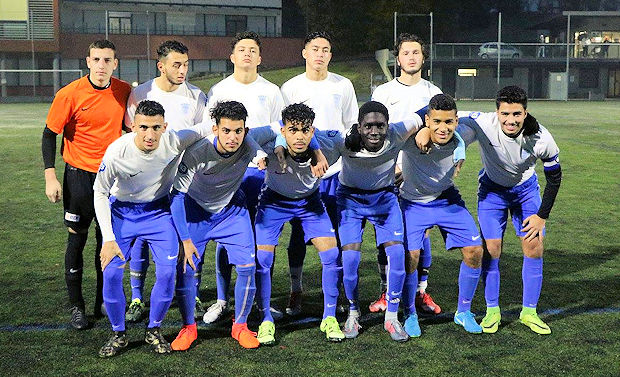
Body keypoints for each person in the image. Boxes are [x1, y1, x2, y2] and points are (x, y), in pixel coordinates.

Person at [93, 100, 209, 357]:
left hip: (158, 213)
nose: (150, 134)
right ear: (133, 126)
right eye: (143, 127)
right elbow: (99, 192)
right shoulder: (116, 152)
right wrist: (108, 239)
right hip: (122, 213)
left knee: (168, 273)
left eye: (156, 127)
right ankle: (118, 333)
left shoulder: (175, 140)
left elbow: (209, 127)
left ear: (165, 126)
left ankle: (153, 329)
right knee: (111, 274)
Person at [448, 86, 561, 334]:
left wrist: (542, 216)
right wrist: (455, 144)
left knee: (534, 246)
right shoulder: (482, 122)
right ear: (496, 112)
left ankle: (529, 312)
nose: (511, 120)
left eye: (517, 114)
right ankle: (492, 311)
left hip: (526, 192)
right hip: (492, 193)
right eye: (505, 114)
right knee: (492, 249)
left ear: (525, 113)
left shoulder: (541, 138)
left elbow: (554, 178)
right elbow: (448, 116)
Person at [42, 39, 131, 329]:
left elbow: (131, 130)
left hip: (110, 177)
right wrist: (50, 176)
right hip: (78, 176)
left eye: (107, 60)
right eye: (96, 59)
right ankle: (77, 306)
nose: (101, 65)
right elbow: (49, 134)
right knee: (77, 238)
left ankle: (102, 302)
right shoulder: (70, 94)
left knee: (106, 239)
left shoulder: (123, 91)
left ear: (115, 63)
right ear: (88, 61)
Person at [203, 31, 286, 324]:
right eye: (242, 49)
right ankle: (223, 299)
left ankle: (263, 301)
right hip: (229, 173)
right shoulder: (219, 90)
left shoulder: (273, 91)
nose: (247, 54)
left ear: (260, 58)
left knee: (263, 237)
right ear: (233, 57)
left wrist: (271, 157)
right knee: (227, 238)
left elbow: (281, 130)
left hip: (263, 173)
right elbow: (208, 132)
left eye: (253, 49)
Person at [124, 40, 208, 323]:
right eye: (177, 64)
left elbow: (203, 133)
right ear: (161, 66)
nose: (183, 70)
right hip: (147, 179)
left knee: (191, 236)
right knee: (140, 239)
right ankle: (137, 297)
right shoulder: (141, 93)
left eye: (186, 64)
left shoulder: (197, 96)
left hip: (184, 180)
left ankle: (191, 292)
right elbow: (129, 133)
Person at [279, 31, 358, 316]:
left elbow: (352, 125)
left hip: (335, 172)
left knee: (333, 236)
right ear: (304, 53)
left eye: (325, 49)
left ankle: (333, 292)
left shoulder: (343, 84)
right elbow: (283, 127)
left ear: (330, 54)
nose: (320, 54)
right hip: (301, 172)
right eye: (315, 49)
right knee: (298, 233)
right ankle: (295, 290)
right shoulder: (289, 87)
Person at [254, 103, 344, 344]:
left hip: (309, 202)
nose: (299, 136)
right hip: (274, 201)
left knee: (332, 255)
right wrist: (270, 147)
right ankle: (265, 319)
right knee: (263, 259)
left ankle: (329, 316)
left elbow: (357, 141)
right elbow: (245, 134)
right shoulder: (268, 139)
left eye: (305, 131)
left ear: (313, 132)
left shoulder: (328, 142)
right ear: (283, 131)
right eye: (293, 130)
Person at [336, 101, 426, 342]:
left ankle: (392, 317)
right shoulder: (344, 140)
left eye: (380, 126)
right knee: (351, 257)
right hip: (350, 200)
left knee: (398, 255)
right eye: (368, 126)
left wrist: (426, 128)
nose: (374, 131)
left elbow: (429, 109)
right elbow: (314, 137)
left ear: (388, 125)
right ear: (358, 126)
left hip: (384, 199)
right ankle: (353, 313)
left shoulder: (397, 132)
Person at [370, 33, 443, 315]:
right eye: (406, 52)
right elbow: (374, 134)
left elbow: (443, 133)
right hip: (388, 173)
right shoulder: (384, 93)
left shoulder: (434, 93)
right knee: (386, 233)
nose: (411, 57)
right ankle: (387, 292)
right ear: (397, 58)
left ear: (423, 58)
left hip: (422, 174)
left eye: (416, 52)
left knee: (421, 233)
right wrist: (391, 165)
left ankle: (421, 292)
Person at [401, 94, 483, 336]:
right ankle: (409, 313)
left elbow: (488, 118)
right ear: (427, 119)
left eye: (449, 122)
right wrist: (420, 127)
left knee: (475, 251)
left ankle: (463, 312)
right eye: (436, 122)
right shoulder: (411, 137)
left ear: (457, 122)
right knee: (410, 257)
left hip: (446, 199)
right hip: (412, 202)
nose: (443, 128)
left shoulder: (465, 133)